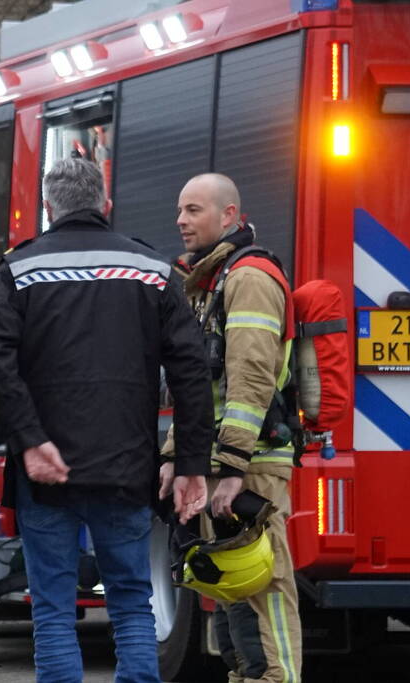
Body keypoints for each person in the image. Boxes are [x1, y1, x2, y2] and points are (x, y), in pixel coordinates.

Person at [0, 157, 216, 682]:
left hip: (46, 473)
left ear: (47, 208)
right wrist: (192, 462)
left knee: (55, 609)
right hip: (126, 468)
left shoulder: (18, 269)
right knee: (132, 603)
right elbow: (192, 369)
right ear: (105, 206)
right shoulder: (153, 272)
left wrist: (31, 438)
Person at [161, 173, 302, 683]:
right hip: (223, 461)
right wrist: (177, 455)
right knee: (229, 585)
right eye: (180, 210)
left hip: (252, 461)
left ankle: (278, 678)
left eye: (194, 209)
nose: (180, 220)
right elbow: (198, 387)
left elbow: (251, 378)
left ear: (229, 216)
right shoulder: (211, 281)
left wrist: (234, 466)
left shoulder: (248, 278)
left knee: (264, 583)